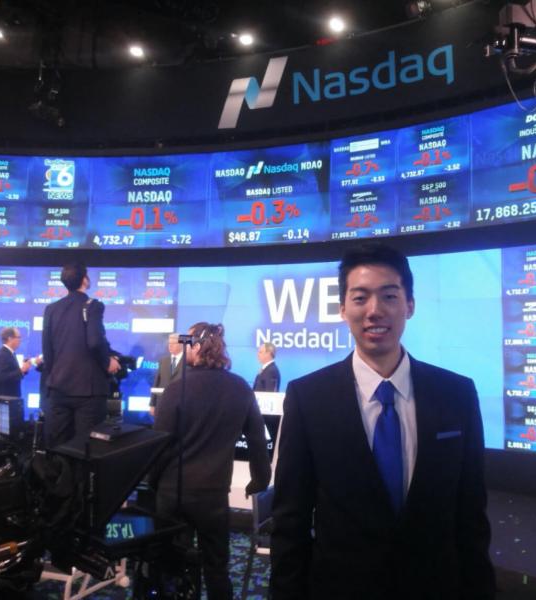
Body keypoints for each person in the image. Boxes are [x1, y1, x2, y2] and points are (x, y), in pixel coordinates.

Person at [270, 243, 495, 600]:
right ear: (342, 309)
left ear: (410, 305)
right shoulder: (308, 399)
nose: (375, 311)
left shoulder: (456, 395)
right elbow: (290, 524)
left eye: (389, 296)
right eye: (360, 298)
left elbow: (471, 518)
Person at [153, 322, 271, 600]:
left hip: (173, 495)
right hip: (213, 496)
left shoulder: (176, 388)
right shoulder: (240, 388)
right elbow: (257, 441)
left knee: (171, 569)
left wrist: (152, 484)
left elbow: (159, 445)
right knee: (217, 568)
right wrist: (260, 481)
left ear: (195, 346)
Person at [41, 263, 119, 447]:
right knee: (86, 449)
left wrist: (55, 377)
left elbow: (47, 350)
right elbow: (95, 341)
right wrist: (108, 361)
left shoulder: (51, 309)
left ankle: (60, 477)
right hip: (88, 392)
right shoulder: (93, 306)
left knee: (59, 448)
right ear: (85, 279)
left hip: (58, 389)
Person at [150, 333, 184, 417]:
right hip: (162, 404)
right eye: (169, 343)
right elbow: (156, 383)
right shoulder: (163, 361)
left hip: (180, 405)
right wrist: (152, 404)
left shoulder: (188, 362)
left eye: (173, 343)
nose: (170, 346)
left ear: (181, 344)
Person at [0, 327, 32, 398]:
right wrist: (21, 370)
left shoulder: (10, 353)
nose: (20, 340)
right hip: (6, 398)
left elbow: (12, 373)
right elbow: (1, 377)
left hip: (12, 397)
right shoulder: (2, 355)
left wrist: (24, 370)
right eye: (18, 337)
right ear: (10, 339)